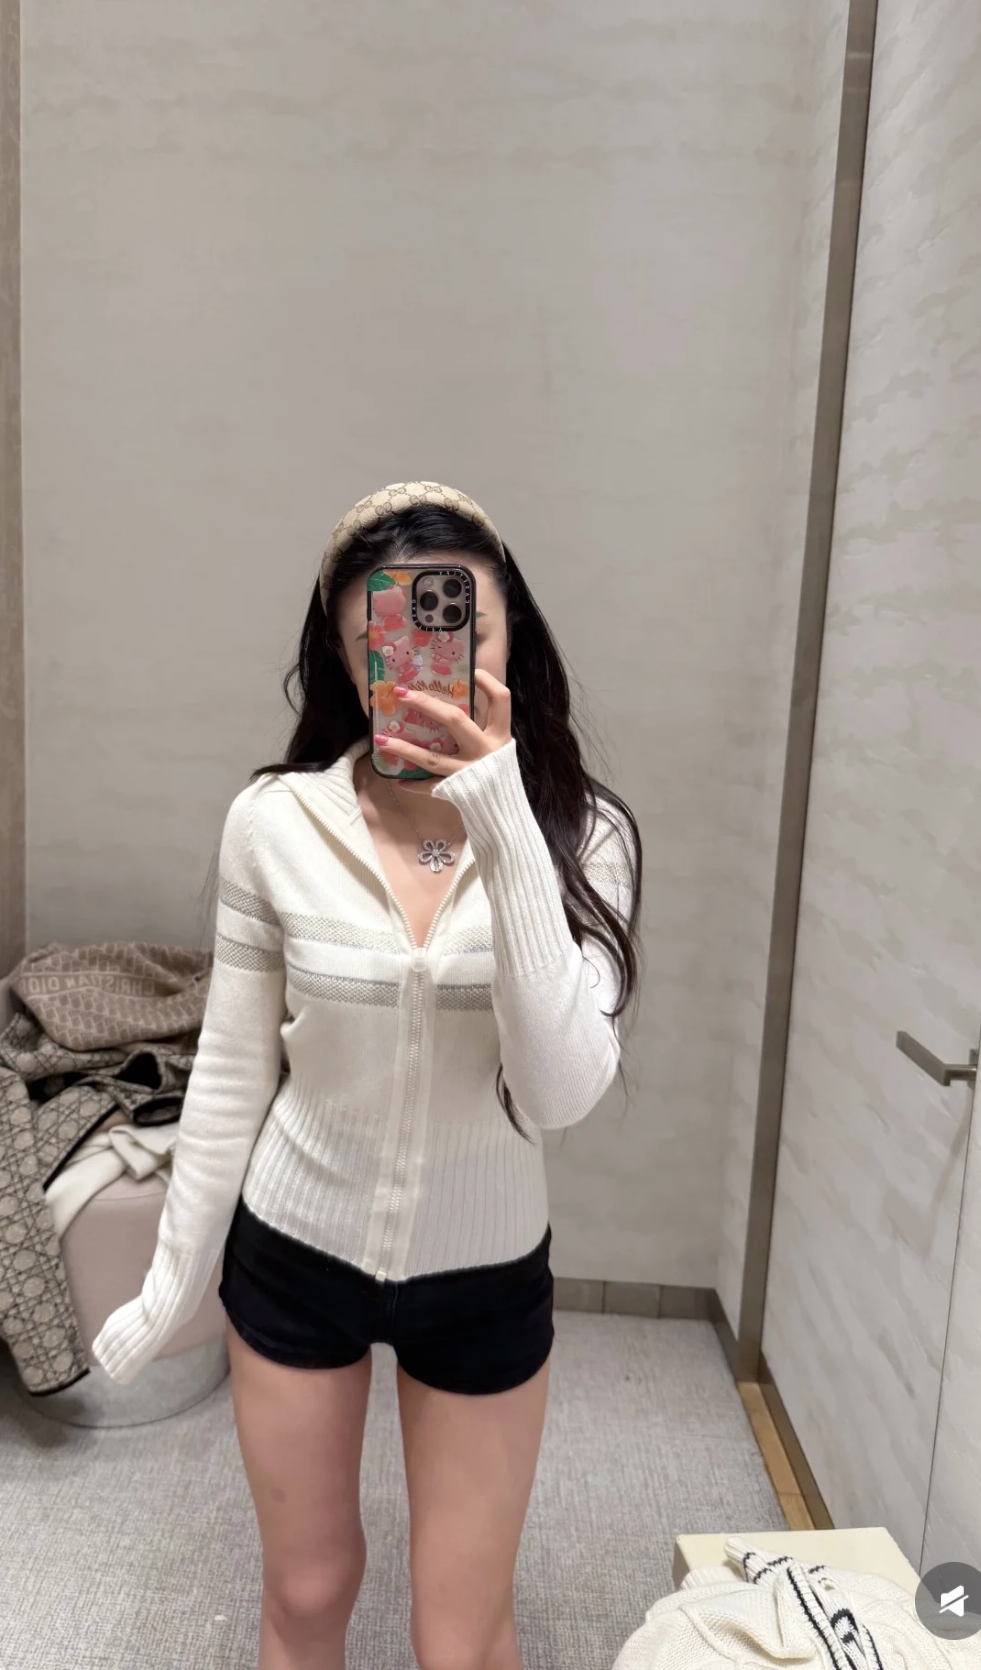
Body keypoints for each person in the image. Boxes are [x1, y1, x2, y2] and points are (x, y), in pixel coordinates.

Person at [94, 482, 642, 1670]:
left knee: (461, 1632)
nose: (430, 660)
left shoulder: (584, 835)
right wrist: (171, 1281)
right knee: (306, 1591)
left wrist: (501, 814)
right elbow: (231, 1071)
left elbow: (559, 1090)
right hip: (296, 1253)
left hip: (484, 1273)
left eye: (462, 623)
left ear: (511, 631)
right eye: (380, 638)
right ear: (349, 665)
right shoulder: (275, 822)